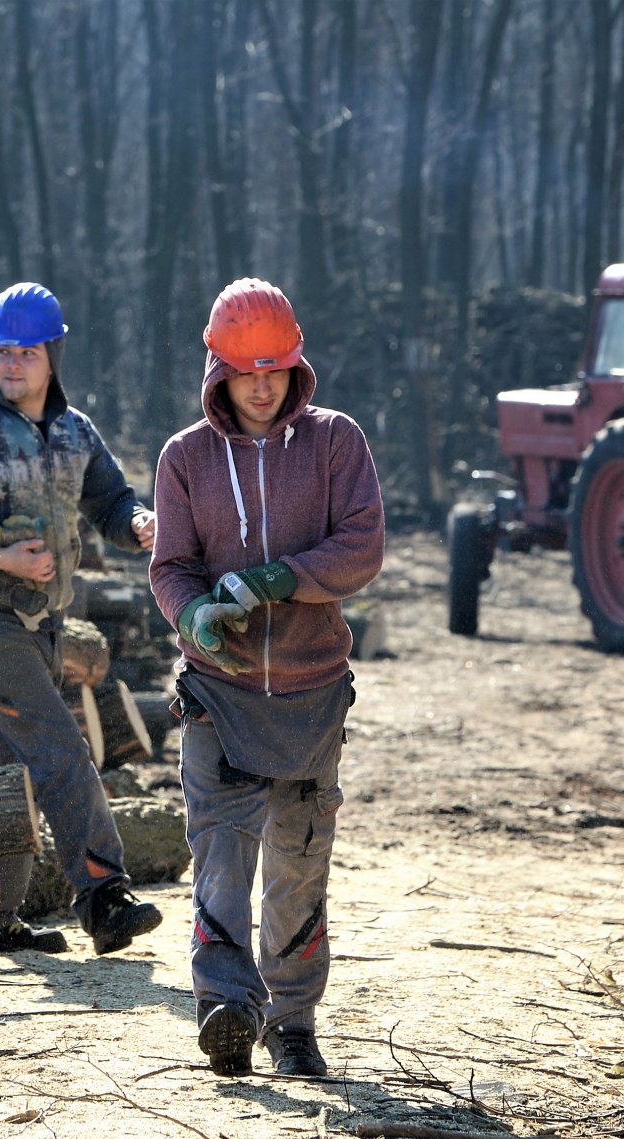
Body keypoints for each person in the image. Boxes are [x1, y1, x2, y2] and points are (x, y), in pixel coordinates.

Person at [149, 278, 384, 1077]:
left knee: (298, 860)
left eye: (273, 369)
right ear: (216, 370)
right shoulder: (184, 458)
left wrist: (280, 579)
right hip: (219, 691)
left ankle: (291, 1023)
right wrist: (194, 618)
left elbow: (362, 548)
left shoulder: (336, 443)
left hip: (312, 692)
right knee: (220, 851)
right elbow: (171, 566)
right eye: (244, 371)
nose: (259, 385)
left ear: (295, 367)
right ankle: (226, 1006)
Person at [0, 282, 163, 956]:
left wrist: (134, 522)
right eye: (2, 352)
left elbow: (109, 500)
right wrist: (0, 559)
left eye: (27, 352)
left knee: (6, 775)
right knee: (60, 749)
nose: (12, 364)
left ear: (54, 355)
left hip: (45, 624)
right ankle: (104, 897)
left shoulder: (77, 431)